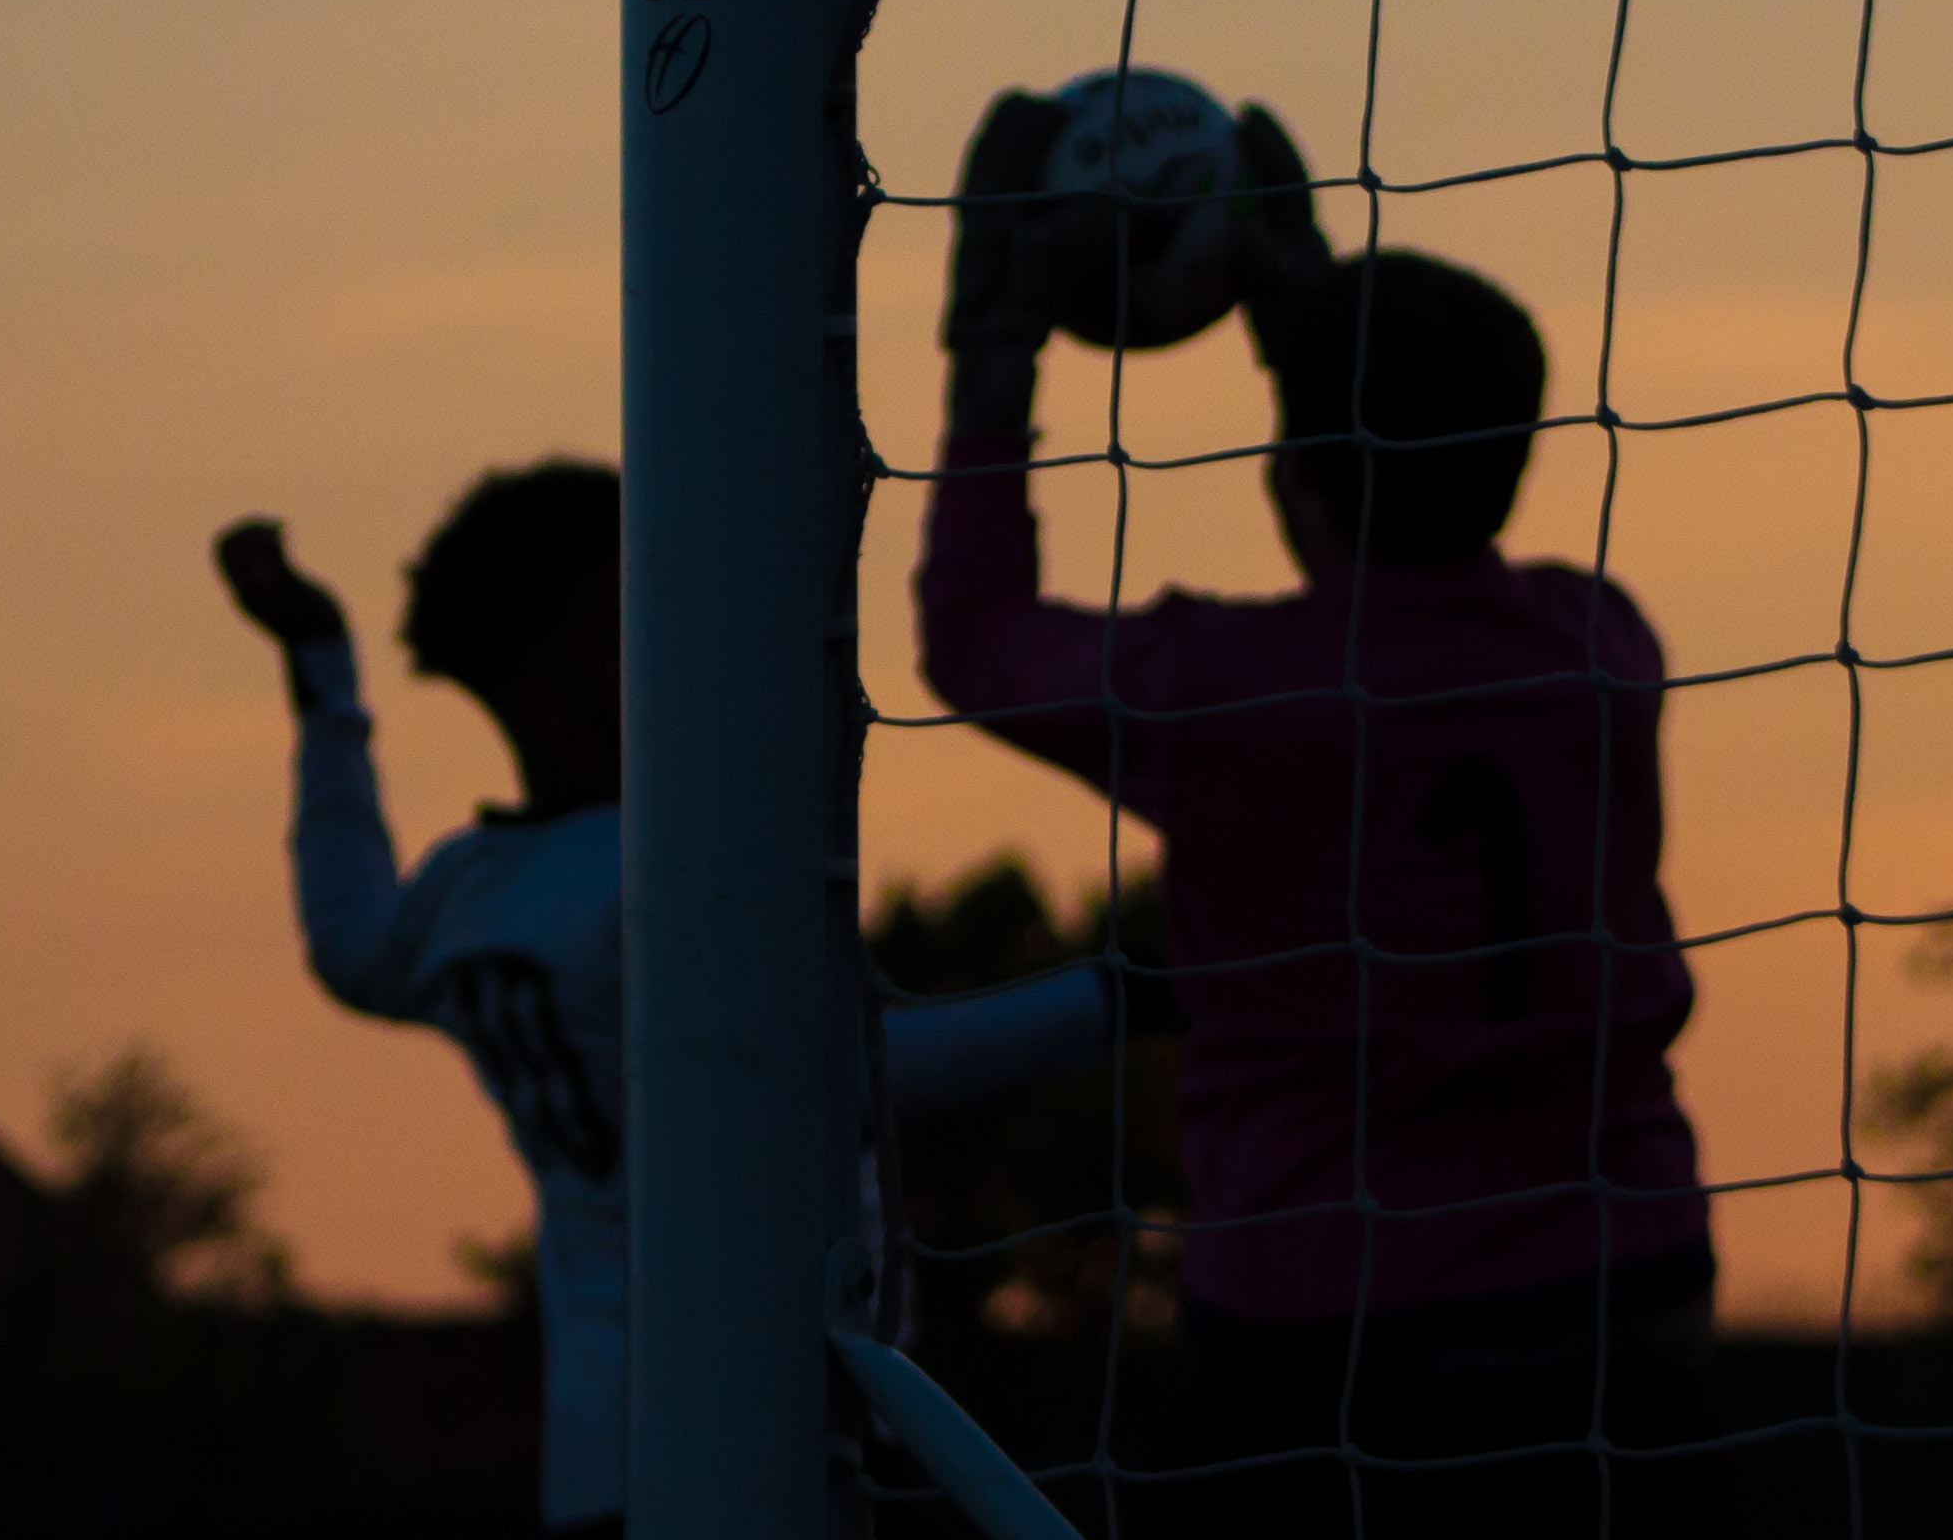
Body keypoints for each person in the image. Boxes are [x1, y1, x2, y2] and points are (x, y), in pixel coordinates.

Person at [918, 93, 1717, 1536]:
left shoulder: (1222, 691)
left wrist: (992, 347)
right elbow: (1373, 479)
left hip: (1335, 1339)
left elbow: (972, 638)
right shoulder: (1601, 649)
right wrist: (1308, 307)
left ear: (1292, 464)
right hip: (1622, 1305)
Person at [217, 462, 1098, 1540]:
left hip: (603, 1462)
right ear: (548, 690)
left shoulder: (465, 894)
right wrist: (1127, 994)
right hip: (778, 1433)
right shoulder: (651, 881)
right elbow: (851, 1070)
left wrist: (321, 664)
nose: (672, 648)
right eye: (626, 626)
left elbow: (345, 929)